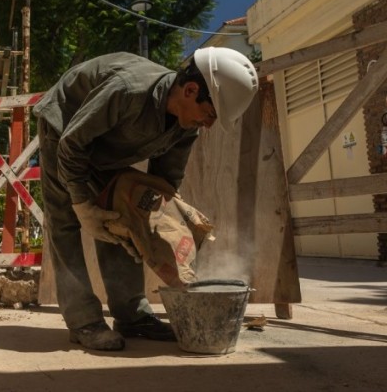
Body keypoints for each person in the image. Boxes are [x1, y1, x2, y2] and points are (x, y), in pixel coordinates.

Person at [32, 47, 259, 351]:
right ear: (191, 90)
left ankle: (131, 315)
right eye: (210, 114)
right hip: (64, 130)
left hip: (104, 146)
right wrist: (83, 206)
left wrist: (151, 227)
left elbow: (163, 183)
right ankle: (84, 321)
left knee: (126, 221)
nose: (208, 125)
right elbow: (72, 145)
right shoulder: (128, 91)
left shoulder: (186, 128)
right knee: (65, 224)